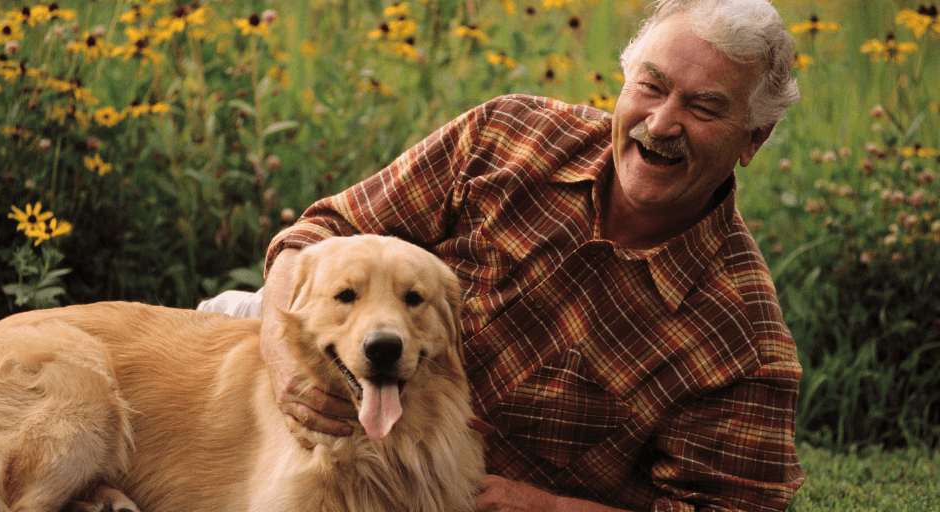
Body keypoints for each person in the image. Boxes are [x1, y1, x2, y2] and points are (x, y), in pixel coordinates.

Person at [199, 0, 805, 510]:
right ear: (624, 83)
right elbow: (323, 231)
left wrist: (550, 508)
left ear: (754, 138)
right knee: (210, 330)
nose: (662, 122)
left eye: (703, 108)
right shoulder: (510, 134)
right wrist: (283, 360)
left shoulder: (743, 342)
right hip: (346, 369)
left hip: (462, 487)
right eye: (650, 86)